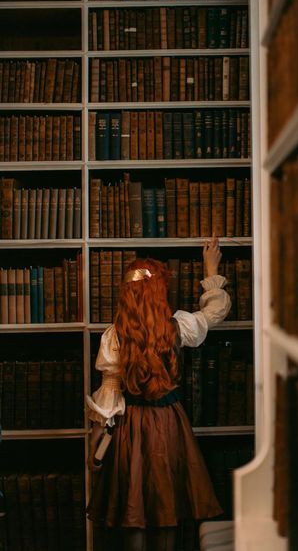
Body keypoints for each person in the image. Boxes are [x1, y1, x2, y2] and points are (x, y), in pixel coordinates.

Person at [86, 236, 231, 551]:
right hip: (168, 423)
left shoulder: (116, 335)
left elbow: (109, 393)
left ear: (127, 296)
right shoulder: (179, 326)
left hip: (131, 428)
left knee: (133, 507)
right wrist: (211, 270)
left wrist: (96, 440)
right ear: (159, 293)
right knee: (166, 507)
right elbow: (214, 313)